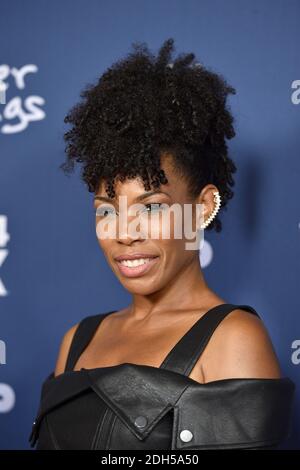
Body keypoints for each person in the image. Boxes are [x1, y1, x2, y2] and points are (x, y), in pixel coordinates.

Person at [29, 38, 295, 450]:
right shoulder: (76, 340)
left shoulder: (235, 337)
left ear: (203, 206)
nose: (124, 232)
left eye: (151, 207)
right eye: (106, 210)